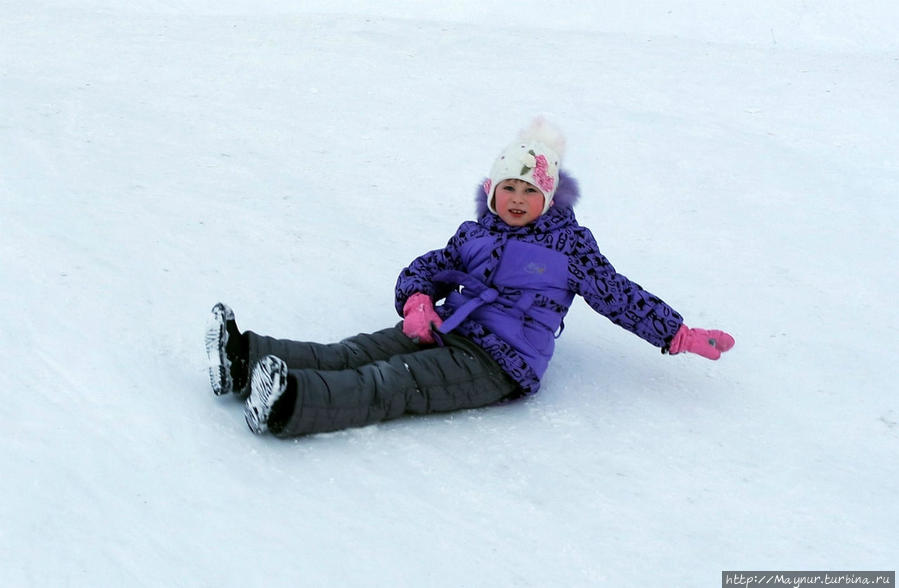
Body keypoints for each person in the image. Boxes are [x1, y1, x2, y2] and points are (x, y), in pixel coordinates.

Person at [205, 118, 734, 438]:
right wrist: (417, 302)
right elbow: (426, 268)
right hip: (449, 327)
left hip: (502, 361)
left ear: (549, 198)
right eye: (509, 188)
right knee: (357, 350)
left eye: (530, 192)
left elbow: (617, 294)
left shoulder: (569, 246)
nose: (518, 200)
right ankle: (243, 359)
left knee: (394, 381)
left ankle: (291, 402)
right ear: (491, 191)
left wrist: (678, 333)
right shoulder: (474, 234)